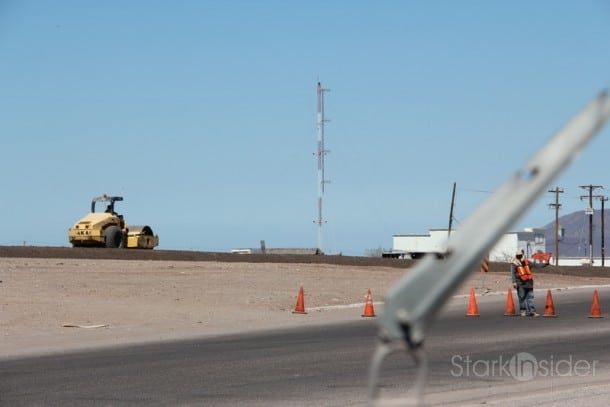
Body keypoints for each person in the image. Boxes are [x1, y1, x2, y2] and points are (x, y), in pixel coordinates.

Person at [511, 250, 540, 317]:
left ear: (523, 255)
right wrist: (514, 282)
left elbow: (536, 265)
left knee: (530, 298)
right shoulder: (514, 263)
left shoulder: (527, 262)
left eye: (520, 255)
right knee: (522, 298)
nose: (519, 257)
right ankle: (523, 311)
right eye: (518, 255)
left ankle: (532, 312)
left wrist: (545, 264)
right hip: (520, 283)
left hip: (529, 283)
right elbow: (513, 274)